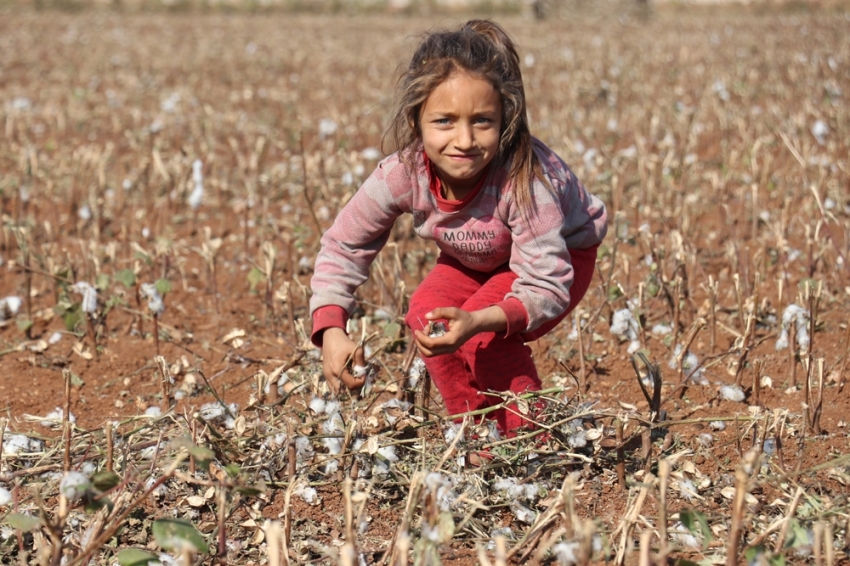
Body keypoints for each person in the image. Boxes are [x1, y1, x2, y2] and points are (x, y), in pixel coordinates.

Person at [309, 20, 607, 437]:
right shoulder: (401, 173)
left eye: (482, 121)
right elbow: (344, 244)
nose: (464, 140)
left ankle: (531, 443)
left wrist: (480, 320)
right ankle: (473, 436)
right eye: (444, 121)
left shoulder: (523, 181)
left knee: (481, 339)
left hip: (558, 258)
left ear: (505, 119)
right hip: (476, 256)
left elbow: (546, 283)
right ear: (416, 122)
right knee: (426, 318)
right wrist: (330, 328)